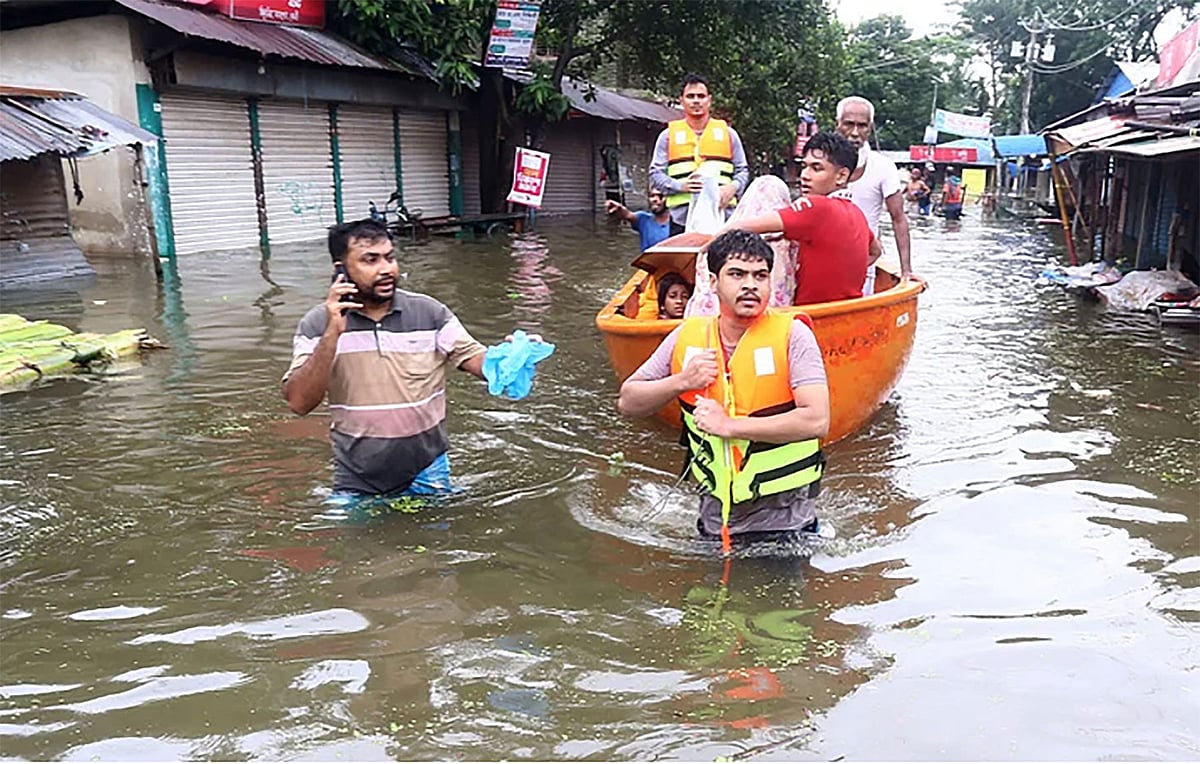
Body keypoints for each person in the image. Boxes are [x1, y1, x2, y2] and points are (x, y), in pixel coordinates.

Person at [617, 229, 830, 550]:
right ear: (713, 282)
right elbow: (628, 401)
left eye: (761, 276)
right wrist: (681, 382)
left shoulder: (794, 336)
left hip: (788, 528)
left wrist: (730, 426)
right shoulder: (686, 336)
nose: (750, 285)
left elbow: (816, 420)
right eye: (736, 274)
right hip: (714, 526)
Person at [282, 219, 494, 498]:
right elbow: (299, 403)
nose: (386, 269)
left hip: (428, 472)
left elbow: (475, 359)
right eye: (370, 260)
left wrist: (509, 359)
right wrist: (333, 332)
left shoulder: (429, 312)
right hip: (355, 479)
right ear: (340, 270)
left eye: (390, 257)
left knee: (439, 539)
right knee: (353, 541)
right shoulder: (317, 324)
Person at [710, 131, 881, 306]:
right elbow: (876, 251)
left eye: (816, 168)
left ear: (841, 176)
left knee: (767, 185)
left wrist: (707, 247)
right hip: (847, 309)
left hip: (807, 315)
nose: (805, 175)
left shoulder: (816, 207)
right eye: (804, 167)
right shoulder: (858, 213)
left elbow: (739, 228)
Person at [649, 73, 750, 235]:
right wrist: (680, 186)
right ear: (682, 101)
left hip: (723, 218)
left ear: (709, 100)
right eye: (690, 96)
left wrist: (733, 187)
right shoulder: (667, 136)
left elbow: (742, 171)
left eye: (701, 96)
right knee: (685, 260)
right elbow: (655, 174)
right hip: (681, 219)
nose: (696, 101)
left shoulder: (729, 134)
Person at [835, 96, 913, 284]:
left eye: (862, 126)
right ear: (837, 124)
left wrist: (906, 270)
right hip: (820, 258)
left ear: (870, 128)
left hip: (864, 262)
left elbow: (898, 218)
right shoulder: (821, 163)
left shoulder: (883, 167)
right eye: (849, 124)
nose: (855, 132)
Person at [605, 188, 671, 252]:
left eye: (660, 196)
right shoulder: (644, 219)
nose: (655, 199)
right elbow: (627, 214)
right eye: (652, 196)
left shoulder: (677, 223)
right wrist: (619, 208)